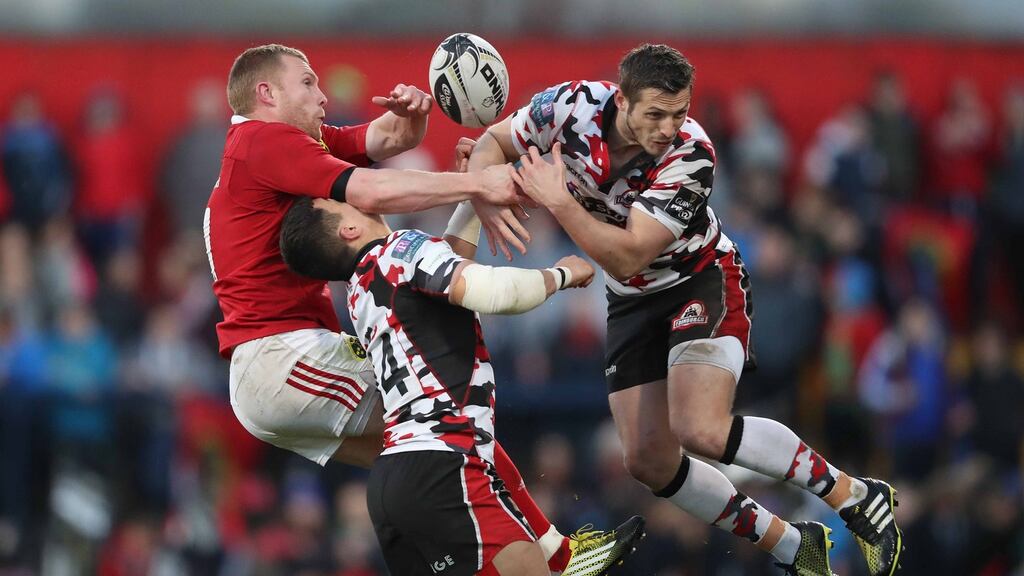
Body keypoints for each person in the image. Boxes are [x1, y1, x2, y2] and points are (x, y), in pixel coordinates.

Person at [467, 43, 903, 576]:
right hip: (630, 301)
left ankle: (853, 493)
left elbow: (628, 254)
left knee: (701, 428)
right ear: (620, 99)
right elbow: (490, 143)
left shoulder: (693, 153)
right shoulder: (566, 107)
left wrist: (557, 201)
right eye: (654, 114)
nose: (667, 127)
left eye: (679, 113)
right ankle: (793, 546)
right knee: (647, 461)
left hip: (699, 281)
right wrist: (486, 195)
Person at [205, 43, 638, 574]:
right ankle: (558, 554)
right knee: (447, 419)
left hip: (290, 372)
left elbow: (383, 146)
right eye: (309, 82)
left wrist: (409, 124)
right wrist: (481, 183)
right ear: (266, 93)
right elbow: (372, 190)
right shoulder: (262, 141)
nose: (322, 96)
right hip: (282, 359)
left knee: (440, 432)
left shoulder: (355, 252)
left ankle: (559, 552)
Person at [278, 196, 643, 576]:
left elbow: (447, 271)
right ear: (349, 229)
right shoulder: (402, 248)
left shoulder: (361, 286)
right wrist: (560, 275)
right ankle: (564, 556)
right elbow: (489, 290)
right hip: (445, 464)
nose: (353, 194)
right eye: (339, 200)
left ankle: (563, 554)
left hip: (393, 481)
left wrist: (474, 195)